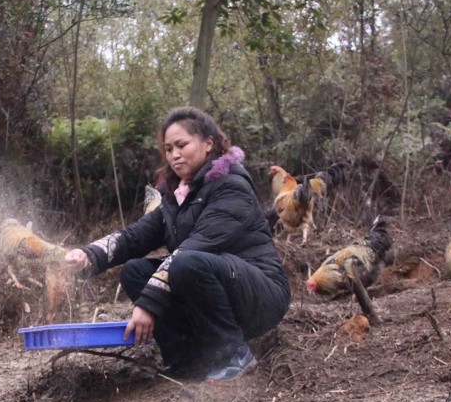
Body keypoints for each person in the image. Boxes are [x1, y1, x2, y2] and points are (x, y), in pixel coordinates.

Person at [64, 107, 289, 382]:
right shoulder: (178, 195)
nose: (174, 155)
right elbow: (137, 235)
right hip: (216, 284)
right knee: (135, 271)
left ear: (208, 143)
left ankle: (233, 354)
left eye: (182, 145)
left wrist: (148, 304)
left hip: (260, 295)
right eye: (168, 149)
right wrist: (90, 254)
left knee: (186, 262)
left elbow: (196, 247)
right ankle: (187, 360)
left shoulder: (232, 187)